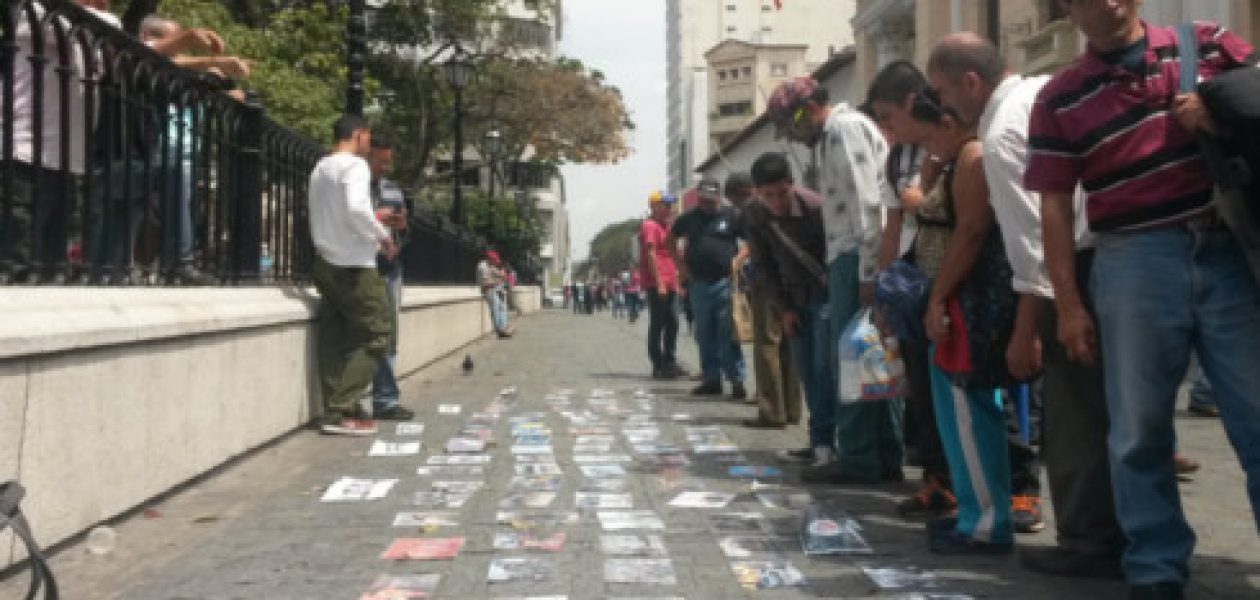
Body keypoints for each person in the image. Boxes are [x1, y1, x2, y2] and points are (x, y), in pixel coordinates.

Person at [1026, 4, 1260, 596]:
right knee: (1137, 431)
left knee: (1258, 419)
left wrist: (1217, 111)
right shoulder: (1059, 96)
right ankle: (1155, 568)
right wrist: (1070, 305)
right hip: (1131, 259)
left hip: (1224, 247)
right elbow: (1053, 205)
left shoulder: (1209, 46)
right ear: (1067, 10)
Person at [927, 32, 1122, 569]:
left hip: (1070, 274)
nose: (943, 107)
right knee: (1109, 412)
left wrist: (1027, 329)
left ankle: (1090, 541)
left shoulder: (1003, 130)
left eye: (943, 92)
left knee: (1073, 416)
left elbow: (1033, 240)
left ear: (971, 82)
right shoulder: (1039, 92)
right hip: (1102, 260)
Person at [765, 77, 903, 484]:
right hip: (849, 253)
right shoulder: (828, 139)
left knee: (854, 359)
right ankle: (883, 454)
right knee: (872, 356)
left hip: (856, 255)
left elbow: (868, 205)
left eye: (791, 127)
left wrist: (868, 272)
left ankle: (861, 456)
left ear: (805, 111)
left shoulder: (844, 130)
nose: (792, 137)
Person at [866, 61, 957, 519]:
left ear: (909, 103)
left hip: (958, 280)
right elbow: (892, 226)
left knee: (969, 386)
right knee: (921, 388)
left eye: (886, 118)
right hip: (912, 284)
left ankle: (1016, 487)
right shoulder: (897, 157)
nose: (884, 129)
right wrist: (884, 293)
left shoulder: (955, 137)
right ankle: (937, 481)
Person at [138, 15, 248, 285]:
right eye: (176, 43)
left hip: (182, 155)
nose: (181, 52)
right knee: (148, 216)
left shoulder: (182, 76)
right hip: (151, 150)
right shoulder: (145, 60)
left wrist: (225, 89)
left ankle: (174, 264)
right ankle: (156, 265)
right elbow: (166, 62)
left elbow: (201, 90)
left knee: (176, 212)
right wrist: (212, 64)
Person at [308, 115, 395, 436]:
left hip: (324, 260)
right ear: (358, 136)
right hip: (353, 263)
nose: (368, 145)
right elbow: (357, 208)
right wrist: (382, 236)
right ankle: (341, 408)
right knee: (377, 333)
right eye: (368, 139)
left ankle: (336, 405)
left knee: (333, 333)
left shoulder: (321, 168)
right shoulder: (355, 166)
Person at [746, 152, 834, 467]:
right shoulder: (755, 215)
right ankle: (818, 440)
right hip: (792, 299)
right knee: (806, 370)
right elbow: (763, 265)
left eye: (781, 193)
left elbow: (833, 256)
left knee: (825, 371)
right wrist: (783, 308)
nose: (776, 202)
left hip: (825, 297)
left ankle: (827, 444)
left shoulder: (815, 209)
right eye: (767, 195)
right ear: (756, 192)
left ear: (791, 184)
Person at [733, 170, 803, 430]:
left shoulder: (752, 212)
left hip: (770, 281)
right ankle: (792, 409)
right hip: (792, 278)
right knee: (789, 342)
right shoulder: (796, 202)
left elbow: (757, 251)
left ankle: (772, 411)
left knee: (767, 344)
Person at [670, 178, 747, 399]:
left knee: (728, 333)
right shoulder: (688, 218)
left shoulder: (731, 216)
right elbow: (670, 241)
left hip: (725, 282)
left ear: (719, 197)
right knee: (704, 334)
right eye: (704, 201)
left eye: (711, 202)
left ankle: (737, 379)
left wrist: (738, 260)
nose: (707, 206)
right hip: (699, 283)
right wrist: (681, 267)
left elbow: (750, 241)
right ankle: (711, 379)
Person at [364, 134, 414, 421]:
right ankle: (383, 398)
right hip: (366, 266)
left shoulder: (393, 190)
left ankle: (385, 395)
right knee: (377, 334)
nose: (383, 167)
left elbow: (405, 235)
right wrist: (377, 217)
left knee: (390, 334)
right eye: (378, 161)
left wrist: (401, 224)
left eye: (387, 162)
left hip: (391, 267)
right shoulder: (355, 188)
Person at [641, 191, 684, 379]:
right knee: (658, 324)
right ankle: (658, 364)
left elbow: (672, 254)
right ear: (654, 206)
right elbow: (651, 254)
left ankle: (669, 361)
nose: (669, 209)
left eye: (670, 206)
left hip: (670, 281)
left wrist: (678, 279)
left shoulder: (666, 226)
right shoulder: (650, 226)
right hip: (657, 282)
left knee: (673, 322)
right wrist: (659, 283)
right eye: (665, 205)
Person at [477, 250, 511, 338]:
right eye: (494, 261)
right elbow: (485, 284)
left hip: (496, 289)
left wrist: (503, 274)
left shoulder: (491, 266)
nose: (496, 264)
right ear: (489, 259)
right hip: (488, 290)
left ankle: (504, 327)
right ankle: (499, 329)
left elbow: (502, 276)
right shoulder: (483, 267)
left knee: (502, 306)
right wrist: (498, 281)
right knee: (495, 307)